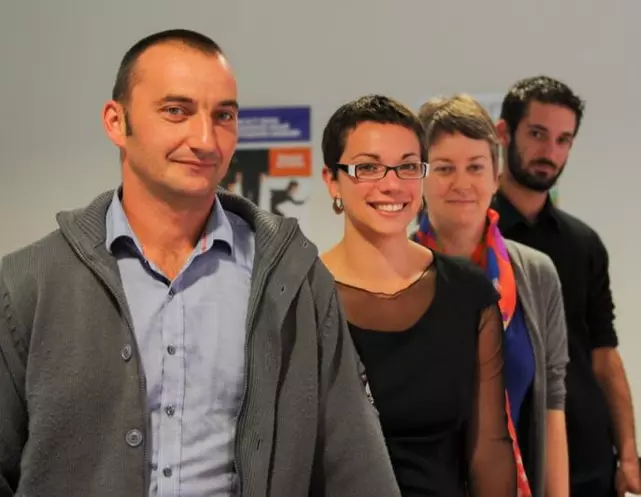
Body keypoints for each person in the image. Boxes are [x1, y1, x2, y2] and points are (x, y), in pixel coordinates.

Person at [0, 29, 400, 497]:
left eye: (223, 115)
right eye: (177, 111)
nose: (205, 138)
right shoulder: (28, 283)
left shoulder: (293, 277)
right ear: (116, 121)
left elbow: (355, 463)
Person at [319, 94, 517, 497]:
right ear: (332, 181)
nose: (391, 184)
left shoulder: (467, 292)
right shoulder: (301, 293)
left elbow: (490, 448)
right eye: (368, 167)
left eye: (408, 166)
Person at [490, 75, 641, 497]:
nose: (550, 152)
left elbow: (604, 354)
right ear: (503, 133)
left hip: (587, 455)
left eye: (564, 140)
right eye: (538, 134)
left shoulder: (584, 243)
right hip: (502, 455)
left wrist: (628, 456)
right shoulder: (472, 235)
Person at [414, 94, 570, 497]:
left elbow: (553, 402)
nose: (462, 183)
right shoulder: (395, 274)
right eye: (445, 168)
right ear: (418, 177)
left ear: (496, 174)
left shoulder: (536, 274)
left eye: (476, 167)